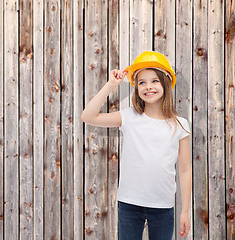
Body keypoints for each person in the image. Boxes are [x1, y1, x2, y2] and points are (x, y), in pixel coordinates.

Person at [81, 51, 192, 240]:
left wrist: (184, 211)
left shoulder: (180, 124)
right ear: (136, 88)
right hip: (130, 204)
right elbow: (88, 116)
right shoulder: (129, 117)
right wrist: (111, 85)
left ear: (166, 83)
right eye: (142, 82)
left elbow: (184, 170)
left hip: (163, 206)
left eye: (154, 81)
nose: (148, 86)